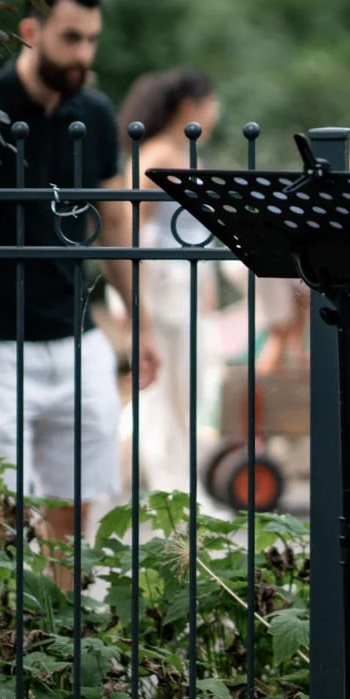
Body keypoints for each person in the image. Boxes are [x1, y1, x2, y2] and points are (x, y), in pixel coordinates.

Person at [0, 0, 160, 584]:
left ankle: (64, 641)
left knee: (75, 508)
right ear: (31, 32)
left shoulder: (96, 115)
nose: (83, 54)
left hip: (74, 338)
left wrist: (142, 324)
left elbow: (116, 227)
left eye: (92, 40)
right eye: (70, 38)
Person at [116, 67, 222, 498]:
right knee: (170, 395)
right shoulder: (161, 156)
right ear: (190, 107)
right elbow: (133, 227)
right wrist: (134, 299)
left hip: (179, 286)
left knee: (176, 394)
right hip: (164, 287)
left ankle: (167, 486)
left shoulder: (170, 153)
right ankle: (174, 493)